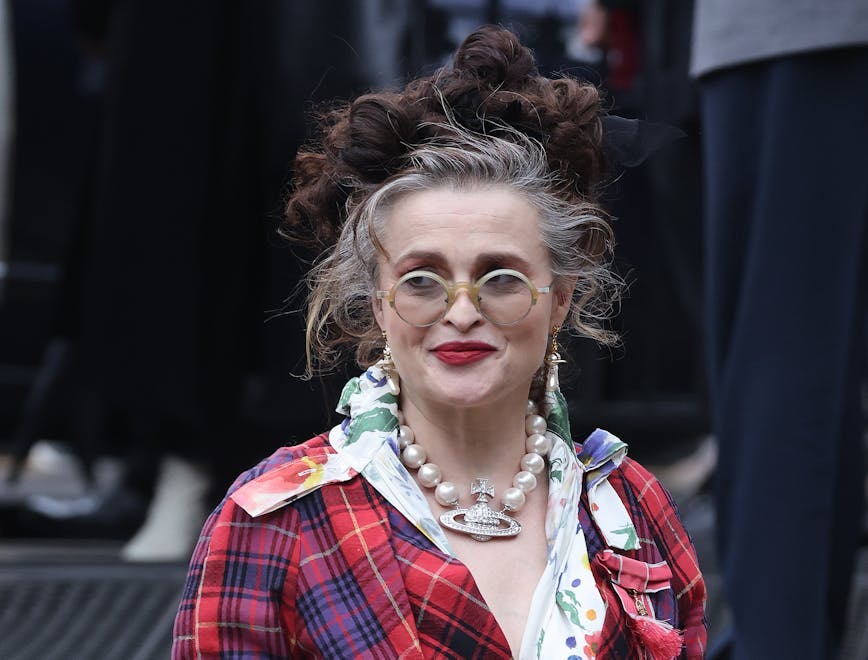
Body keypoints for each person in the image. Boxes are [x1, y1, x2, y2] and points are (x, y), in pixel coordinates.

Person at [173, 25, 706, 659]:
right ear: (378, 304)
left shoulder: (632, 511)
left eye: (501, 279)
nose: (460, 313)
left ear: (559, 299)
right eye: (421, 280)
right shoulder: (274, 520)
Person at [691, 2, 868, 657]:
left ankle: (779, 638)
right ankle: (784, 633)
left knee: (783, 351)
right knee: (799, 354)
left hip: (801, 29)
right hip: (793, 30)